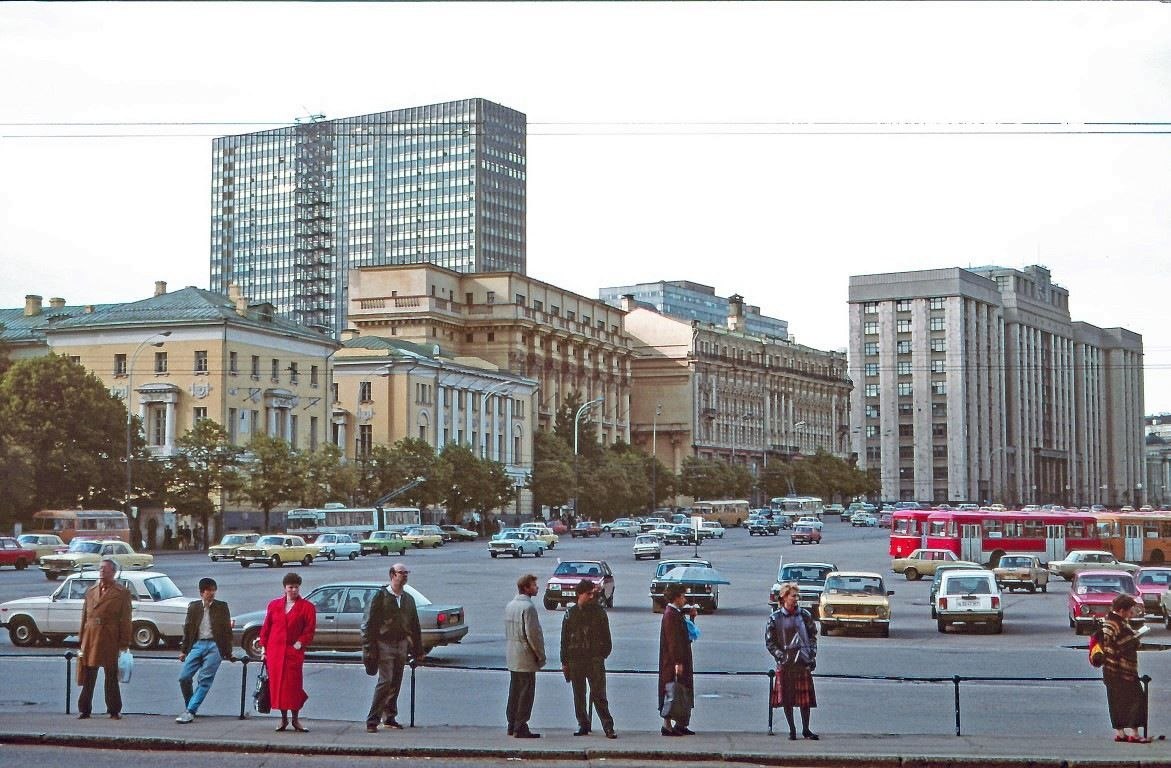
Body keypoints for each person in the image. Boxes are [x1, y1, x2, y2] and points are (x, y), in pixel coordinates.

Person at [361, 563, 424, 733]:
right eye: (401, 573)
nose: (404, 576)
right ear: (392, 575)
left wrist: (418, 650)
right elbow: (368, 624)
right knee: (386, 681)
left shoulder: (408, 599)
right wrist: (369, 648)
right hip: (384, 643)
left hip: (402, 643)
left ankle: (389, 716)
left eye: (406, 572)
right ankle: (372, 720)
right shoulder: (380, 596)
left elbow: (414, 625)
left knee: (396, 681)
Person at [258, 571, 316, 733]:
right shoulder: (274, 605)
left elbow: (309, 630)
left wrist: (300, 643)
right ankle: (283, 719)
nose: (294, 590)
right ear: (284, 588)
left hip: (293, 652)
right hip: (275, 652)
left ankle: (295, 720)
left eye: (296, 587)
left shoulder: (307, 607)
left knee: (293, 686)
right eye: (291, 587)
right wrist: (264, 649)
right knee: (279, 687)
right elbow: (266, 628)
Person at [76, 558, 133, 719]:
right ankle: (84, 709)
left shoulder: (122, 593)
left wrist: (124, 642)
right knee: (89, 675)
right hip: (91, 637)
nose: (102, 572)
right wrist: (81, 639)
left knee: (111, 676)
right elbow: (84, 616)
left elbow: (126, 620)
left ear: (113, 572)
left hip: (110, 637)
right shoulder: (91, 591)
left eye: (105, 570)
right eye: (100, 569)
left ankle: (114, 709)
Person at [560, 579, 617, 739]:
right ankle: (583, 724)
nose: (592, 596)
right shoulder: (570, 613)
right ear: (580, 594)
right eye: (588, 593)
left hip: (594, 659)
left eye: (593, 593)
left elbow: (607, 637)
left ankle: (608, 726)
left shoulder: (599, 612)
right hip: (576, 659)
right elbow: (564, 639)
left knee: (599, 694)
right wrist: (564, 662)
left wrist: (601, 655)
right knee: (579, 695)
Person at [175, 577, 233, 724]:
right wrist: (184, 650)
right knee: (184, 677)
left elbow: (227, 631)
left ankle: (190, 710)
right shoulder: (194, 607)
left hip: (215, 645)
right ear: (202, 592)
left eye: (214, 590)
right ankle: (190, 705)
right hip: (198, 644)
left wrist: (228, 651)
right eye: (209, 590)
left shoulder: (221, 607)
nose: (212, 593)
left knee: (205, 679)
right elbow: (188, 629)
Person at [766, 582, 819, 740]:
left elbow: (813, 636)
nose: (796, 599)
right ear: (784, 598)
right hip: (786, 663)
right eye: (793, 596)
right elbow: (770, 642)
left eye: (797, 596)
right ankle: (792, 730)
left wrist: (811, 654)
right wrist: (781, 656)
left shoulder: (805, 615)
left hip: (803, 662)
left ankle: (806, 729)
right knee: (788, 699)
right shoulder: (775, 618)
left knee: (805, 700)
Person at [1101, 593, 1150, 743]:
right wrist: (1135, 638)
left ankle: (1120, 733)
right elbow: (1124, 644)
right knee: (1135, 699)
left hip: (1110, 670)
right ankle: (1134, 734)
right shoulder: (1118, 624)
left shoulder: (1108, 622)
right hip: (1123, 670)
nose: (1132, 613)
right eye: (1130, 610)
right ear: (1122, 610)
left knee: (1116, 701)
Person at [505, 573, 546, 738]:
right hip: (525, 655)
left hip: (512, 654)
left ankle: (511, 723)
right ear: (526, 588)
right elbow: (533, 635)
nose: (537, 588)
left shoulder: (510, 605)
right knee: (526, 692)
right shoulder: (528, 608)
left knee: (514, 690)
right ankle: (521, 726)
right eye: (534, 585)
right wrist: (540, 655)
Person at [658, 583, 695, 736]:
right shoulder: (670, 615)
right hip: (673, 661)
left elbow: (689, 635)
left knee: (682, 691)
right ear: (677, 597)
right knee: (672, 691)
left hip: (681, 658)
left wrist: (692, 617)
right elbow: (673, 641)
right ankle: (667, 724)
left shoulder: (676, 613)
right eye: (683, 596)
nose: (685, 599)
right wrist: (677, 662)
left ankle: (681, 723)